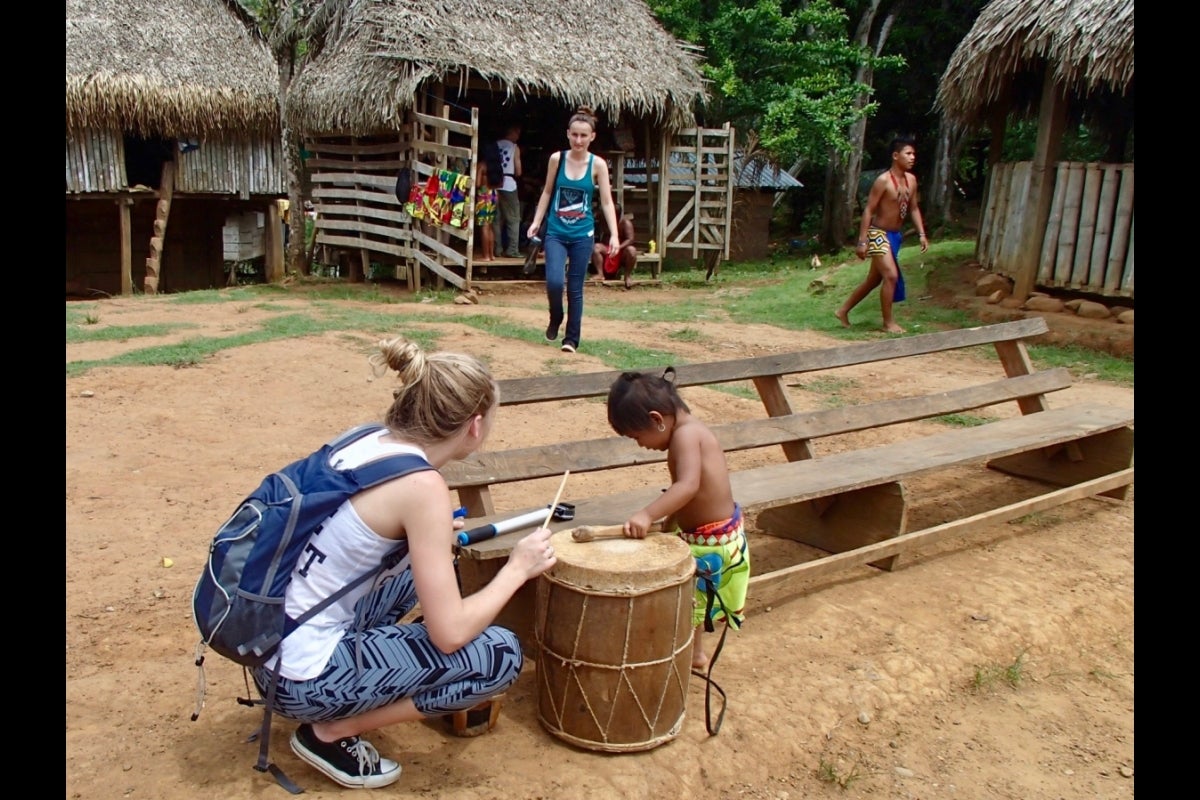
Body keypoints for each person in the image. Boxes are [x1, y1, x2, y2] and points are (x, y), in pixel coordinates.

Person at [248, 337, 557, 790]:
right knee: (498, 655)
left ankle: (350, 689)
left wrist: (430, 539)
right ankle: (331, 731)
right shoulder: (423, 486)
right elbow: (449, 635)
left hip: (267, 647)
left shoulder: (367, 438)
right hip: (303, 679)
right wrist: (517, 567)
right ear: (474, 427)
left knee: (425, 564)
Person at [605, 368, 750, 671]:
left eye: (636, 436)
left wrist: (647, 513)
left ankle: (689, 653)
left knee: (689, 603)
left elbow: (687, 486)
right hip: (710, 533)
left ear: (657, 420)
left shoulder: (685, 435)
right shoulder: (687, 431)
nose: (640, 445)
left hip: (713, 540)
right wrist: (670, 522)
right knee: (693, 600)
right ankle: (695, 653)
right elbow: (687, 493)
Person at [526, 107, 621, 354]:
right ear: (568, 134)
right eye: (575, 135)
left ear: (592, 137)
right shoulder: (557, 160)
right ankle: (556, 315)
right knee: (555, 282)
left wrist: (614, 234)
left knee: (575, 288)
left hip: (582, 234)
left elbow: (607, 201)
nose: (579, 140)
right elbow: (547, 192)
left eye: (584, 135)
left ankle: (571, 339)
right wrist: (537, 221)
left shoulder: (597, 164)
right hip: (556, 231)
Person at [837, 136, 929, 333]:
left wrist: (922, 233)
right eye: (908, 154)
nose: (913, 157)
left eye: (914, 154)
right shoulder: (883, 181)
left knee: (874, 280)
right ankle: (888, 323)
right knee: (891, 275)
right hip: (878, 233)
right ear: (896, 156)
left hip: (895, 236)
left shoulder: (911, 181)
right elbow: (869, 210)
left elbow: (913, 208)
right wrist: (862, 241)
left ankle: (843, 310)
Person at [591, 203, 637, 289]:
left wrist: (619, 247)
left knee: (632, 250)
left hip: (622, 250)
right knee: (596, 247)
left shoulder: (625, 223)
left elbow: (630, 239)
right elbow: (594, 215)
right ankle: (600, 274)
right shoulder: (604, 221)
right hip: (607, 248)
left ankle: (627, 276)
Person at [494, 124, 523, 258]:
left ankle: (497, 249)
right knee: (514, 218)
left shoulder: (495, 145)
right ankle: (512, 249)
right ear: (513, 133)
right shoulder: (514, 147)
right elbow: (518, 171)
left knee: (496, 218)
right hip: (509, 183)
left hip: (493, 184)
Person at [475, 162, 498, 262]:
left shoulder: (482, 165)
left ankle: (486, 256)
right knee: (490, 226)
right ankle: (491, 255)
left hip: (484, 194)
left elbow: (478, 183)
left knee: (484, 226)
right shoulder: (496, 165)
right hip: (493, 193)